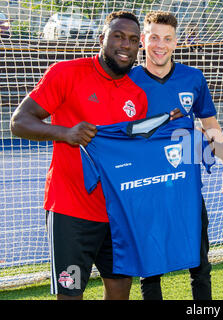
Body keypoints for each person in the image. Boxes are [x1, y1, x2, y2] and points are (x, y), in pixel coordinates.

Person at [9, 11, 182, 300]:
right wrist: (65, 133)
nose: (125, 45)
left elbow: (135, 154)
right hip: (71, 211)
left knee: (119, 290)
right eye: (118, 36)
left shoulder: (137, 95)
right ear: (102, 39)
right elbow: (19, 122)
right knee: (70, 293)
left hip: (119, 214)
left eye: (132, 40)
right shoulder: (65, 73)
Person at [129, 10, 223, 300]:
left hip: (186, 188)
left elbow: (211, 127)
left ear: (177, 42)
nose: (160, 45)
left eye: (167, 39)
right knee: (149, 271)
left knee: (200, 265)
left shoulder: (193, 78)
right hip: (145, 190)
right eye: (154, 38)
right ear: (143, 40)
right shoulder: (128, 80)